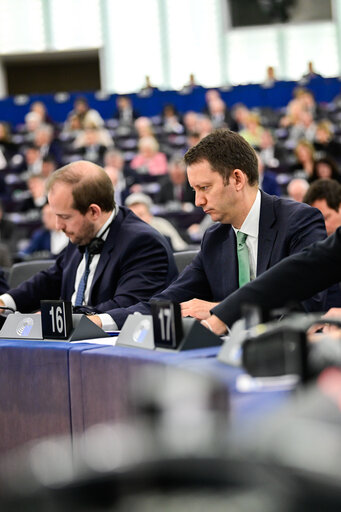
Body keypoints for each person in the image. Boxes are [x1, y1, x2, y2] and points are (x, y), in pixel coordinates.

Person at [109, 129, 328, 329]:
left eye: (204, 188)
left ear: (237, 179)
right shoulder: (214, 238)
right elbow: (168, 300)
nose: (198, 201)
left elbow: (306, 305)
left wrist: (222, 311)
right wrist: (104, 320)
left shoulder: (299, 221)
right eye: (194, 190)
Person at [0, 161, 178, 330]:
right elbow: (51, 278)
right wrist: (6, 301)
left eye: (65, 217)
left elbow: (125, 307)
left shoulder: (143, 243)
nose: (58, 226)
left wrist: (60, 317)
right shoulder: (81, 231)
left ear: (94, 211)